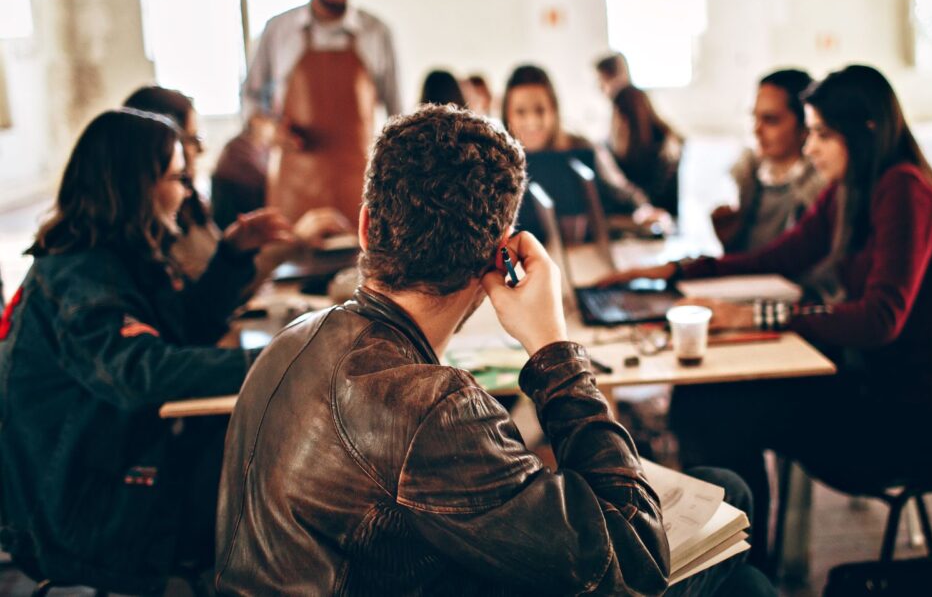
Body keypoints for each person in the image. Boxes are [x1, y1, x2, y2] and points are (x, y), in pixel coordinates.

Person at [215, 105, 774, 596]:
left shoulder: (292, 339)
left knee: (732, 503)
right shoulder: (430, 406)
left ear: (366, 227)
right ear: (498, 256)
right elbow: (633, 562)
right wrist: (552, 346)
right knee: (737, 539)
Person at [599, 65, 932, 569]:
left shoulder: (904, 190)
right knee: (707, 402)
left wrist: (757, 316)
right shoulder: (855, 187)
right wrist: (674, 270)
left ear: (865, 132)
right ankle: (742, 566)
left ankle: (742, 570)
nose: (811, 147)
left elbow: (879, 319)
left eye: (823, 133)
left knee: (720, 414)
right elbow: (778, 257)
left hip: (915, 413)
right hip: (873, 385)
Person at [0, 109, 291, 594]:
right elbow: (144, 372)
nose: (190, 194)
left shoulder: (117, 258)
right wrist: (284, 362)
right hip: (79, 510)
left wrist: (232, 257)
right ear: (137, 185)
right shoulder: (77, 274)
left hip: (105, 473)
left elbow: (179, 333)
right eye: (179, 178)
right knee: (273, 466)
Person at [243, 0, 402, 227]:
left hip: (360, 187)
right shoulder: (279, 31)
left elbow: (397, 115)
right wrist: (268, 131)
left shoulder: (377, 33)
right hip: (294, 187)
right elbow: (250, 101)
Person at [124, 86, 350, 281]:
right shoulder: (155, 228)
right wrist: (293, 241)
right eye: (192, 140)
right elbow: (209, 298)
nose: (200, 151)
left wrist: (236, 250)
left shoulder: (190, 207)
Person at [502, 64, 670, 242]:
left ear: (554, 110)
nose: (532, 121)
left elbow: (626, 195)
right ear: (507, 115)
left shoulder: (584, 148)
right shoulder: (500, 162)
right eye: (520, 112)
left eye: (540, 110)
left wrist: (642, 211)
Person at [710, 69, 826, 256]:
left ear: (805, 125)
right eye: (755, 118)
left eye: (770, 120)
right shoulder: (747, 178)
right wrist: (729, 240)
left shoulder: (819, 189)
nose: (757, 130)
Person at [610, 85, 683, 215]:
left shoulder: (664, 153)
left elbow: (659, 204)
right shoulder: (615, 150)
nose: (617, 126)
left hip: (661, 222)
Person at [210, 114, 277, 230]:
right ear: (255, 124)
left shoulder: (258, 146)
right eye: (267, 125)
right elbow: (261, 177)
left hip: (240, 203)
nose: (271, 130)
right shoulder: (239, 146)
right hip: (233, 211)